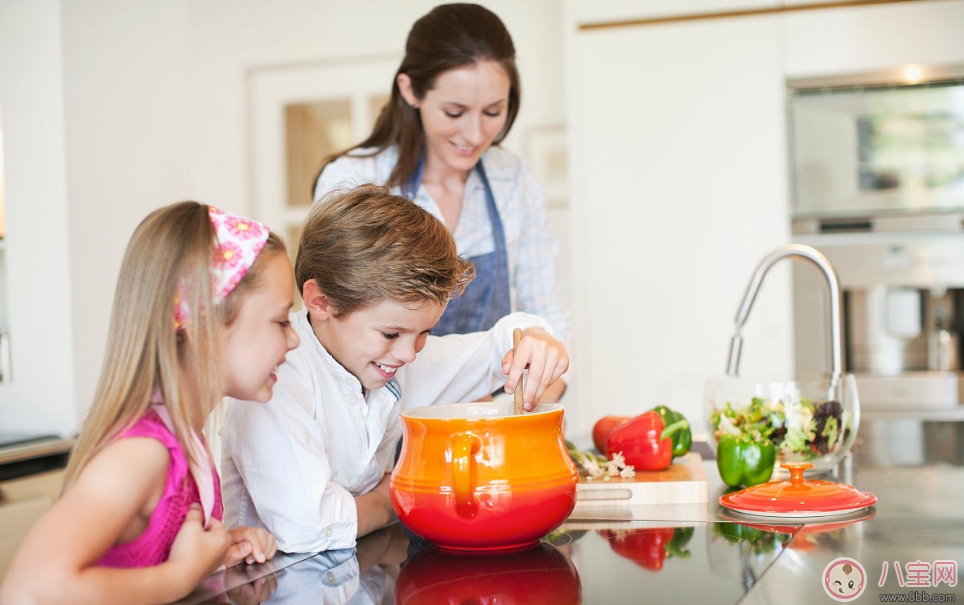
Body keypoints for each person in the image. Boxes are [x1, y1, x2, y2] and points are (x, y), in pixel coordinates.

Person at [221, 185, 569, 553]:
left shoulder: (391, 356)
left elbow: (498, 346)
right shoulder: (278, 376)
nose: (409, 354)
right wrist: (394, 494)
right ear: (321, 302)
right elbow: (309, 526)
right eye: (391, 332)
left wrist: (535, 336)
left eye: (426, 332)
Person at [0, 203, 296, 605]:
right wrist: (180, 574)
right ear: (205, 330)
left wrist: (214, 552)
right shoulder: (142, 454)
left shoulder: (187, 440)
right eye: (281, 321)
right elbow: (28, 591)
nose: (295, 340)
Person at [312, 3, 569, 402]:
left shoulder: (513, 181)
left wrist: (518, 412)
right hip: (383, 423)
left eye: (493, 111)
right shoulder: (353, 179)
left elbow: (548, 322)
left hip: (496, 418)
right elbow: (330, 337)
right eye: (455, 111)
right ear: (410, 90)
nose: (475, 132)